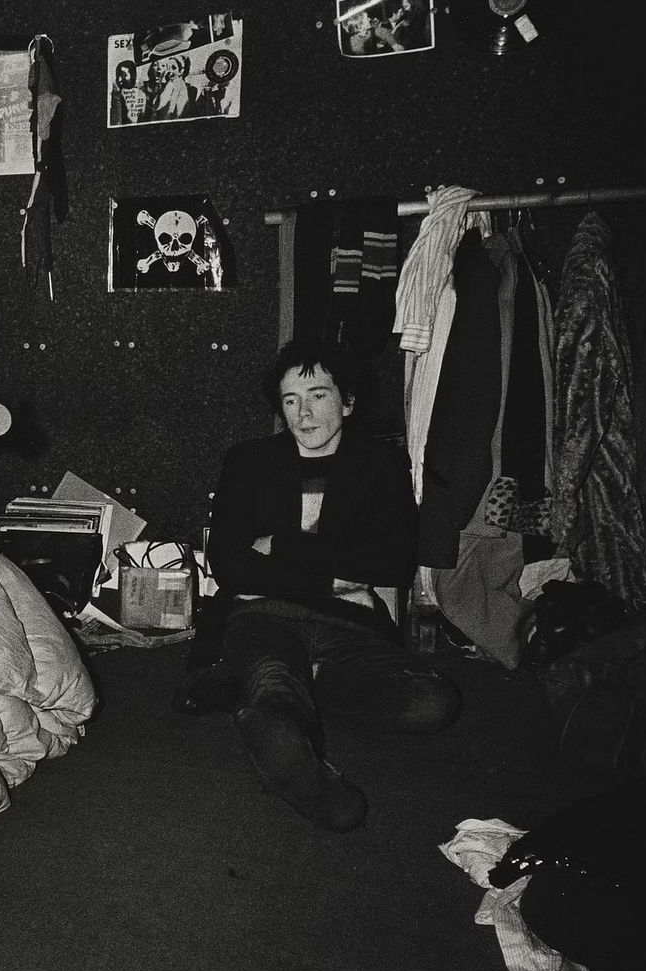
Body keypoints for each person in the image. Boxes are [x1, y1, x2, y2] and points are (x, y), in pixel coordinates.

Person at [176, 340, 460, 831]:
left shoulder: (381, 464)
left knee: (432, 701)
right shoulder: (248, 461)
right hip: (264, 614)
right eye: (290, 401)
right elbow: (230, 567)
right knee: (274, 682)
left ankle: (258, 683)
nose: (303, 414)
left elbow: (391, 563)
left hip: (350, 626)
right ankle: (303, 763)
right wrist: (338, 576)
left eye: (318, 396)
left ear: (347, 402)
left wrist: (282, 545)